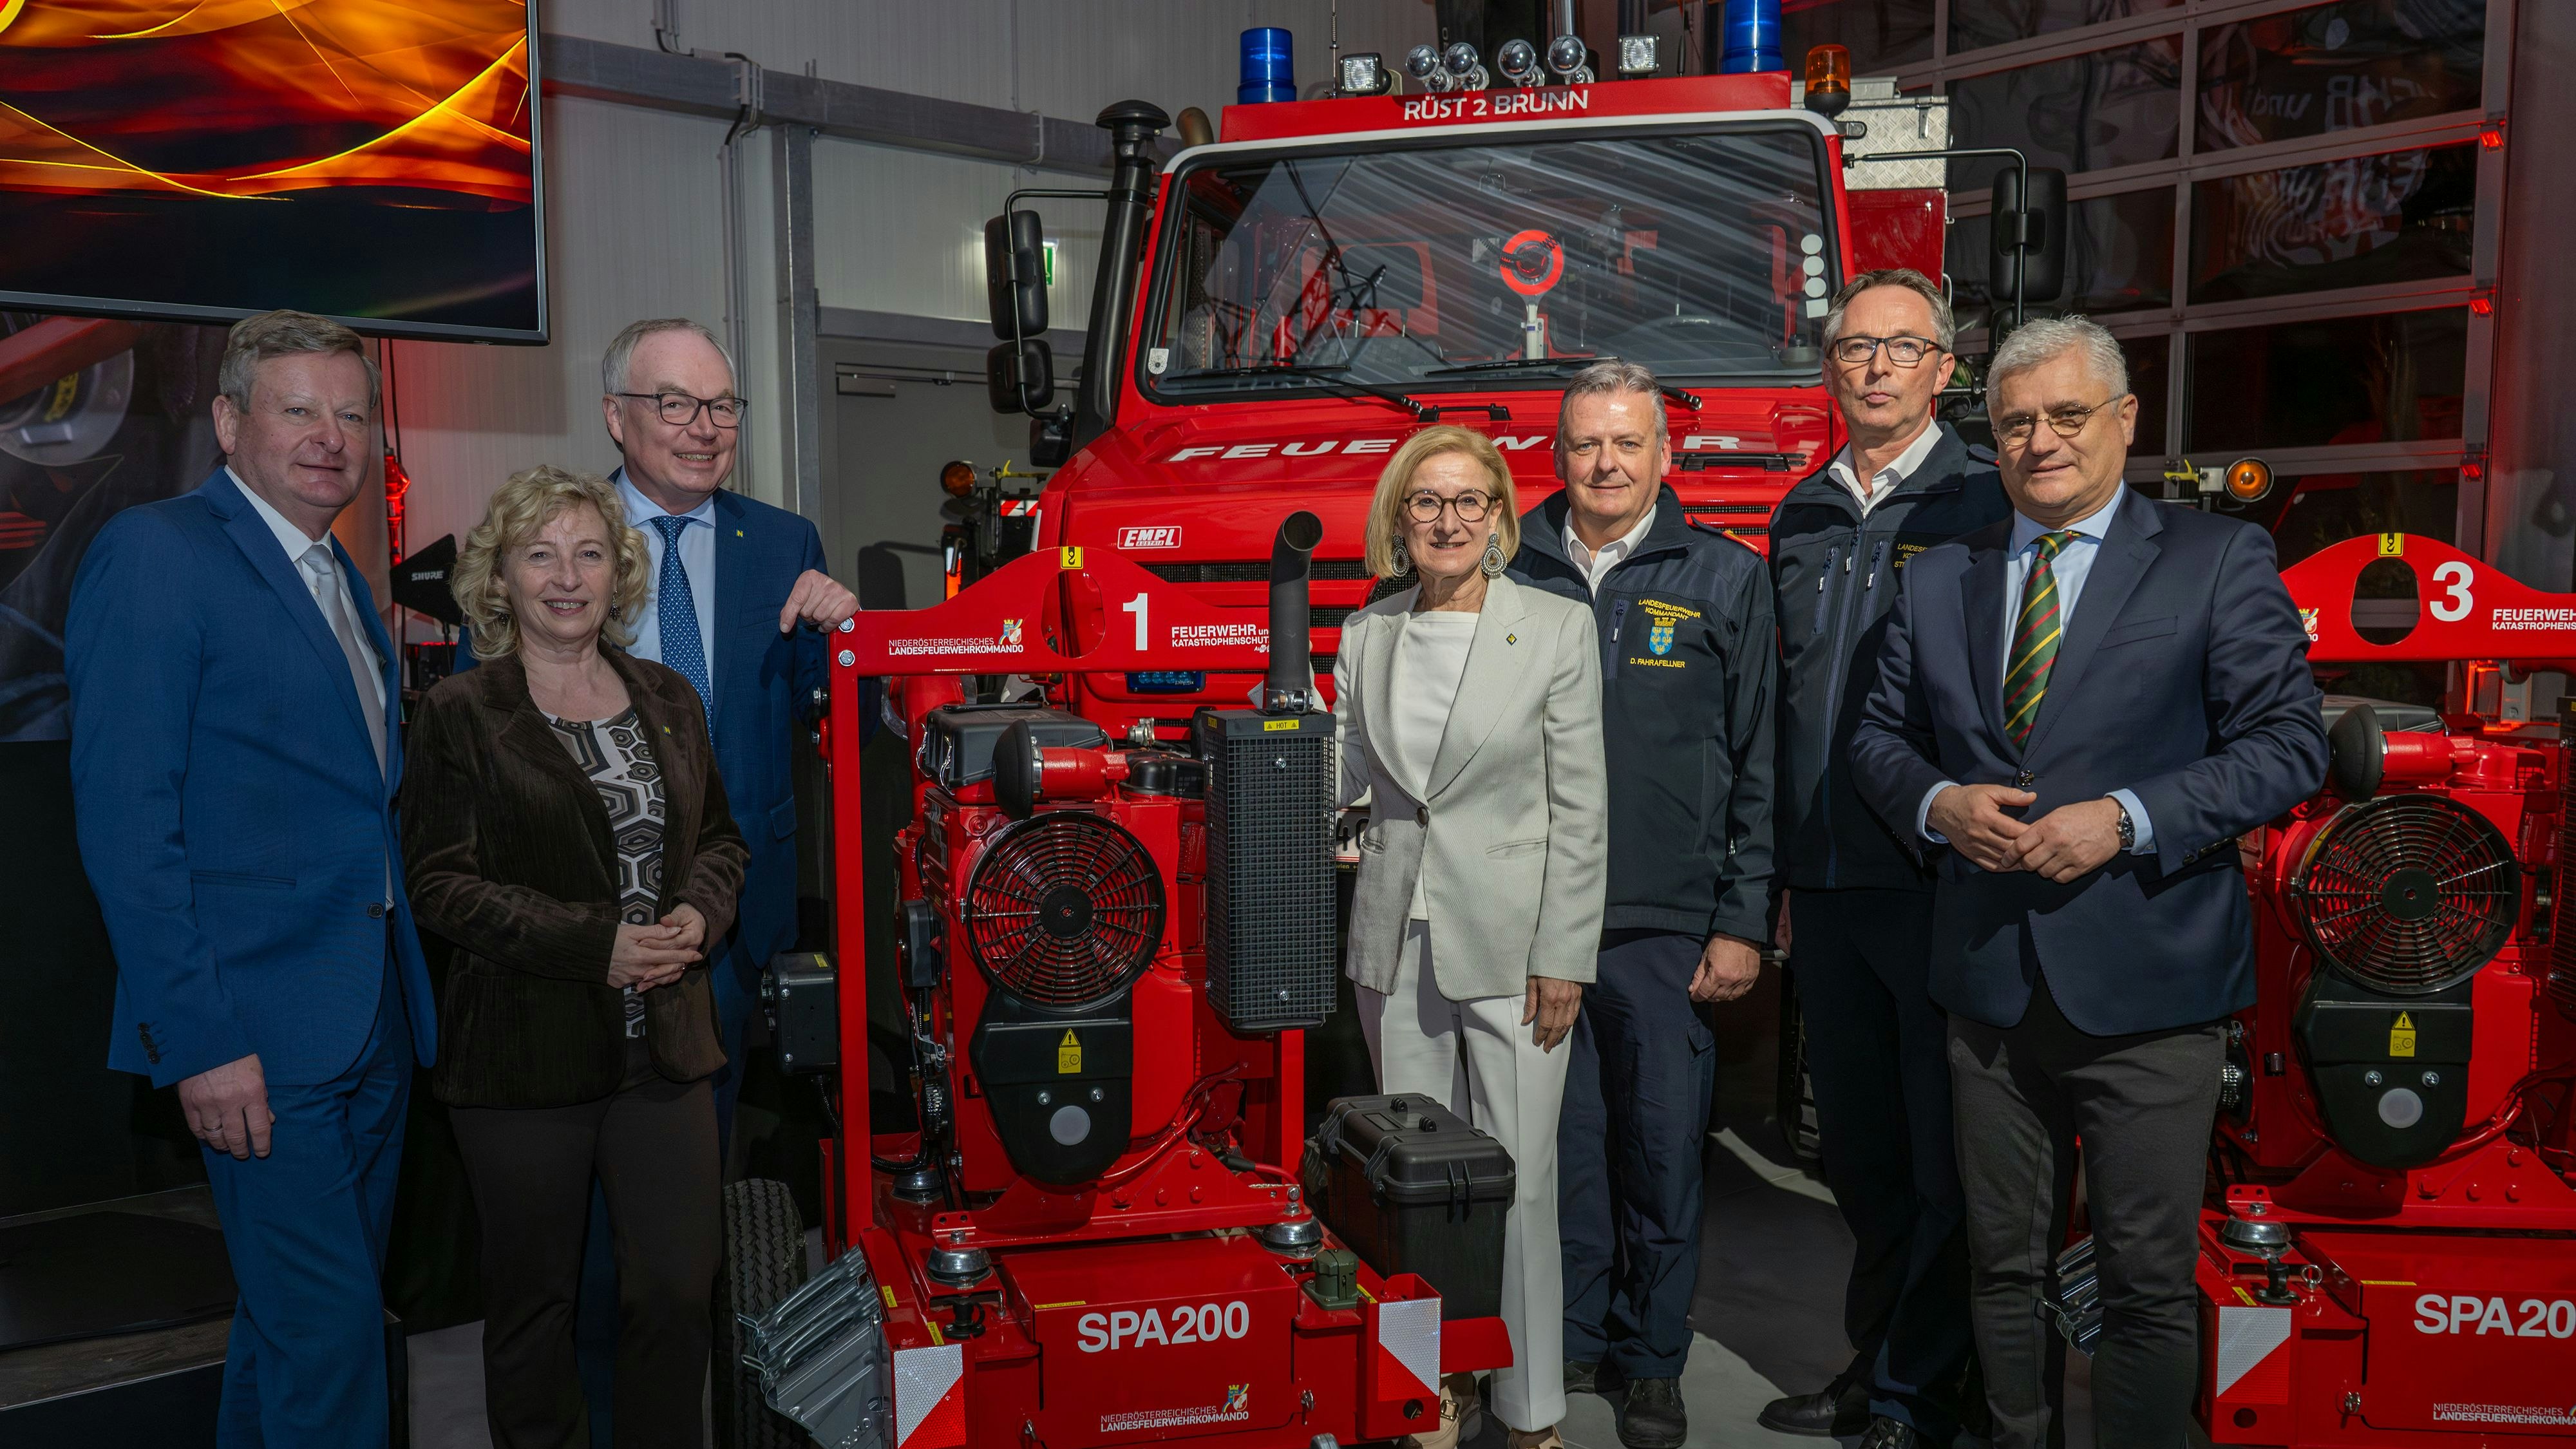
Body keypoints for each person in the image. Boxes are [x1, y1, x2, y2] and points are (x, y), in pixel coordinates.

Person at [1850, 317, 2327, 1449]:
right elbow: (1875, 736)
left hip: (2149, 986)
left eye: (2068, 416)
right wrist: (1936, 804)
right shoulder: (1942, 576)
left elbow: (2288, 744)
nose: (2040, 441)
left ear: (2123, 420)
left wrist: (2127, 819)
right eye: (2016, 422)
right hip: (1988, 986)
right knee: (2002, 1268)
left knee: (2145, 1278)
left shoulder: (2216, 559)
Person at [455, 317, 853, 1441]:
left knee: (679, 1241)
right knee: (564, 1245)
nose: (703, 427)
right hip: (560, 953)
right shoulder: (564, 543)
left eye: (721, 405)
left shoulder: (787, 541)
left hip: (723, 933)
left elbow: (826, 712)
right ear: (616, 417)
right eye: (673, 403)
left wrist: (847, 631)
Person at [66, 309, 437, 1448]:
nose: (331, 435)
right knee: (332, 1353)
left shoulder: (340, 580)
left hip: (368, 1026)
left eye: (350, 412)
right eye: (298, 408)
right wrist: (201, 1037)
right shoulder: (158, 552)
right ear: (229, 422)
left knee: (292, 1336)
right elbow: (130, 826)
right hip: (257, 1042)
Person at [404, 465, 748, 1449]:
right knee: (533, 1313)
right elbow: (441, 885)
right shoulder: (462, 713)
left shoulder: (668, 695)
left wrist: (697, 913)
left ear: (618, 572)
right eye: (541, 555)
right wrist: (595, 945)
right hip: (522, 1060)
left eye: (589, 553)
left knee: (677, 1291)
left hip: (665, 1055)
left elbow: (723, 840)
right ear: (500, 577)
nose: (568, 576)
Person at [1759, 270, 2011, 1448]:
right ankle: (1878, 1369)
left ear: (1942, 369)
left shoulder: (1984, 503)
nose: (1873, 369)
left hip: (1939, 886)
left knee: (1940, 1158)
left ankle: (1925, 1394)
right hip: (1827, 886)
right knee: (1857, 1158)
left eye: (1899, 349)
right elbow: (1779, 710)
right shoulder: (1801, 512)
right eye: (1853, 349)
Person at [1509, 361, 1774, 1449]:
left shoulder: (1723, 577)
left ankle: (1654, 1356)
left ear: (1667, 455)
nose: (1606, 464)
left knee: (1660, 1143)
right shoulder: (1508, 563)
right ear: (1558, 454)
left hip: (1671, 923)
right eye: (1585, 444)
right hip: (1534, 920)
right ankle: (1572, 1330)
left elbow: (1761, 757)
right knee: (1559, 1146)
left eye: (1627, 443)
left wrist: (1743, 915)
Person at [1334, 425, 1607, 1449]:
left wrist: (1565, 953)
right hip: (1393, 946)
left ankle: (1529, 1411)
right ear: (1399, 518)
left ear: (1498, 514)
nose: (1447, 521)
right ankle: (1428, 1395)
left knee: (1522, 1183)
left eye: (1469, 501)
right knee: (1408, 1187)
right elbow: (1349, 778)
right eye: (1426, 502)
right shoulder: (1369, 633)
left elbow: (1581, 807)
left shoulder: (1552, 626)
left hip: (1518, 950)